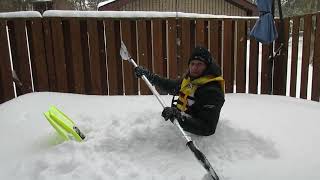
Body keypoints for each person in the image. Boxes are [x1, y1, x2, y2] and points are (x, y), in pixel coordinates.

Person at [134, 46, 225, 136]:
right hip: (180, 128)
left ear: (207, 67)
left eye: (199, 64)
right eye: (192, 64)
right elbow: (170, 86)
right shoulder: (192, 80)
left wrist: (179, 118)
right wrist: (150, 76)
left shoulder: (212, 91)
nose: (194, 67)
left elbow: (207, 128)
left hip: (193, 138)